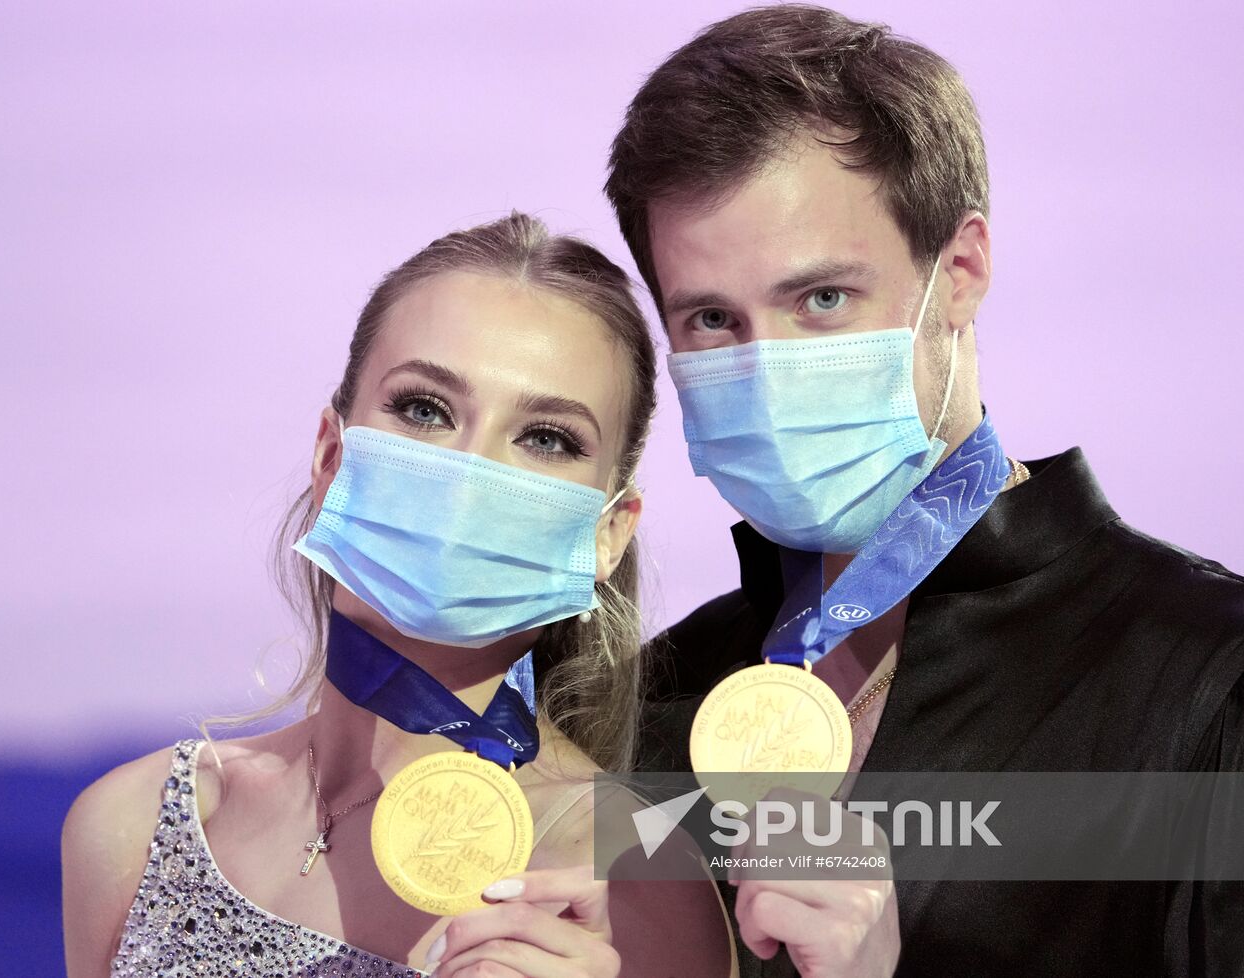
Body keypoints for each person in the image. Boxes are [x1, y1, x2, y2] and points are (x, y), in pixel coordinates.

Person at [603, 5, 1244, 977]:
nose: (767, 371)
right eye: (708, 318)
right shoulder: (646, 711)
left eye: (820, 298)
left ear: (960, 272)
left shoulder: (1204, 685)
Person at [60, 213, 736, 977]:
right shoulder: (139, 820)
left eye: (545, 437)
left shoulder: (624, 875)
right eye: (424, 409)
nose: (468, 477)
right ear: (330, 453)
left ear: (608, 534)